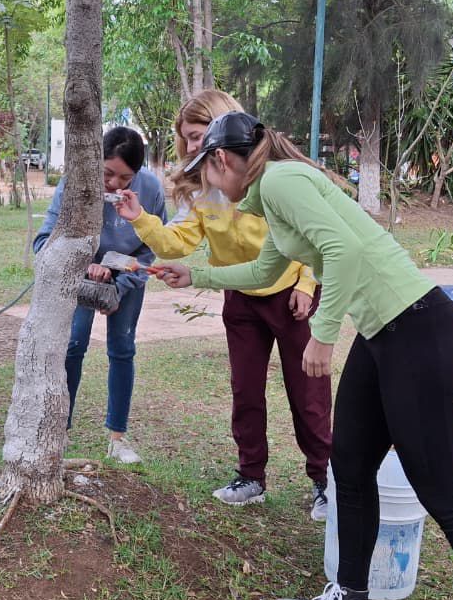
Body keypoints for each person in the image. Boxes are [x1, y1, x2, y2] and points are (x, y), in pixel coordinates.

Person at [154, 111, 453, 600]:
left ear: (222, 161)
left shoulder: (280, 181)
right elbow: (267, 268)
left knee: (445, 493)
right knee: (350, 468)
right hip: (385, 334)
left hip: (417, 330)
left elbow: (340, 252)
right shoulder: (267, 192)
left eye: (205, 169)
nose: (207, 184)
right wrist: (194, 274)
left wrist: (323, 332)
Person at [112, 90, 332, 520]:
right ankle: (251, 476)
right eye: (186, 139)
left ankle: (326, 480)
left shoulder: (270, 178)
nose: (192, 147)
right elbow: (177, 242)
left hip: (292, 294)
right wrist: (140, 217)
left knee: (308, 393)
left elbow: (312, 235)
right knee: (245, 390)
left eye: (198, 135)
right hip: (240, 296)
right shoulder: (200, 191)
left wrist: (307, 283)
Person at [33, 127, 166, 463]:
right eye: (107, 174)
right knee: (74, 344)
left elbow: (153, 248)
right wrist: (82, 266)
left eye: (125, 178)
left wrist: (118, 281)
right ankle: (60, 432)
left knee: (122, 348)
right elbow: (43, 243)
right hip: (80, 276)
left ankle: (117, 438)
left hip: (127, 275)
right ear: (96, 163)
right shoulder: (74, 184)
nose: (115, 185)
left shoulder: (150, 188)